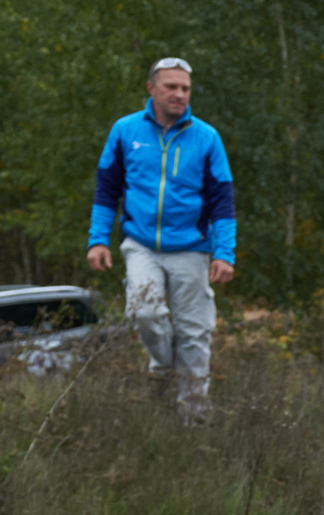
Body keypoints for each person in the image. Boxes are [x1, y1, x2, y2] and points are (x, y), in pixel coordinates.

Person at [87, 58, 235, 421]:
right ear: (151, 89)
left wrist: (225, 252)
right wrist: (98, 240)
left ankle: (194, 416)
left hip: (192, 247)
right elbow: (107, 190)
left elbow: (223, 201)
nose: (179, 94)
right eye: (171, 87)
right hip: (140, 244)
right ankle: (163, 365)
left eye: (185, 88)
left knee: (194, 332)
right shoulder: (125, 131)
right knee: (145, 312)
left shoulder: (206, 137)